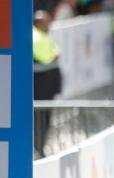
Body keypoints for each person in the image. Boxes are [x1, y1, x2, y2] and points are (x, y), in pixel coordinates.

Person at [33, 11, 62, 156]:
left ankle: (40, 147)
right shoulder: (36, 37)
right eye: (47, 22)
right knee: (41, 121)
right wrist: (55, 54)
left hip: (47, 88)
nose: (49, 25)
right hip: (42, 89)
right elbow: (46, 58)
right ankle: (38, 149)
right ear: (39, 23)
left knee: (44, 120)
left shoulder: (41, 36)